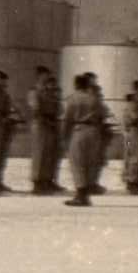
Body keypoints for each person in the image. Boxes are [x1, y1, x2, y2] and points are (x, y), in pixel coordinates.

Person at [60, 74, 100, 207]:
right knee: (89, 163)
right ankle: (86, 193)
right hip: (93, 131)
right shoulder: (93, 98)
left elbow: (67, 118)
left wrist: (64, 136)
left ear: (76, 85)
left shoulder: (73, 98)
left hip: (79, 130)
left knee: (77, 162)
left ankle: (81, 194)